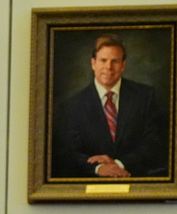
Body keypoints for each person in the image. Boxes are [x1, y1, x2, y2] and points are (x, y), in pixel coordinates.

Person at [53, 33, 167, 178]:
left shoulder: (145, 97)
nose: (109, 67)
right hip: (89, 187)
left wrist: (118, 164)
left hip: (137, 181)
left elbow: (154, 143)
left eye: (115, 61)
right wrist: (99, 168)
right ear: (93, 64)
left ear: (123, 65)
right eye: (103, 60)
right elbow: (67, 153)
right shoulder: (72, 105)